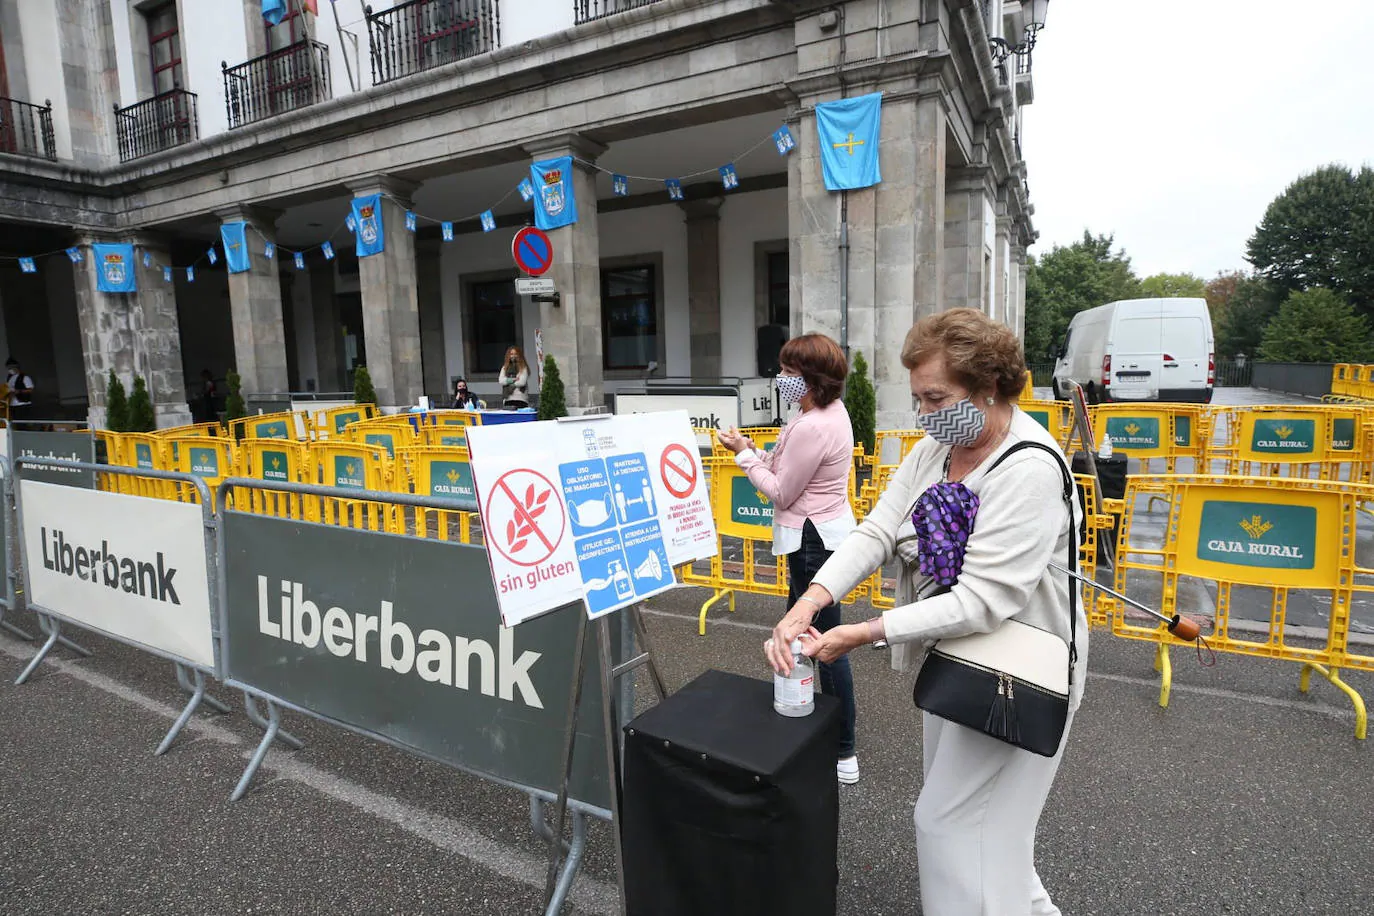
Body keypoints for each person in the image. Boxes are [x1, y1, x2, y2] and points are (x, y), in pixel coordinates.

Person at [765, 308, 1086, 916]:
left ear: (988, 387)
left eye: (935, 397)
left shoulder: (1029, 468)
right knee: (994, 839)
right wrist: (810, 601)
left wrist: (861, 632)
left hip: (1019, 661)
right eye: (918, 399)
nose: (925, 415)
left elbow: (982, 599)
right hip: (960, 652)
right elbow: (879, 530)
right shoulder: (941, 445)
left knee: (947, 823)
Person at [717, 333, 860, 784]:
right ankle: (797, 708)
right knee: (800, 630)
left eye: (790, 372)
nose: (781, 379)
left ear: (812, 379)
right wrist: (754, 450)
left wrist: (743, 456)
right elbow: (782, 465)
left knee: (828, 641)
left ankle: (844, 749)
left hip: (813, 540)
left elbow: (781, 489)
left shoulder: (815, 424)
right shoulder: (816, 413)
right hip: (819, 533)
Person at [5, 356, 34, 423]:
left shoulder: (25, 377)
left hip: (22, 404)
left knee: (23, 423)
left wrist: (19, 391)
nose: (9, 370)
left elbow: (30, 390)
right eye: (8, 368)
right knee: (15, 423)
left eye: (11, 368)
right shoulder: (10, 378)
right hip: (12, 404)